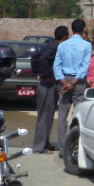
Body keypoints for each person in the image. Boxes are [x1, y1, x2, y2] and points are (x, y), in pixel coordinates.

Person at [53, 18, 92, 150]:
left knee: (62, 114)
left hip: (64, 80)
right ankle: (76, 146)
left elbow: (56, 66)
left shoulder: (62, 45)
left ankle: (63, 148)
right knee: (79, 115)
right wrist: (74, 83)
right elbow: (85, 66)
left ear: (72, 29)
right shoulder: (87, 45)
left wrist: (65, 82)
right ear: (83, 30)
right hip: (79, 82)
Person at [30, 25, 68, 154]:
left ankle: (45, 143)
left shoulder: (51, 45)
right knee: (44, 116)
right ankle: (38, 147)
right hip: (46, 85)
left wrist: (38, 72)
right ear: (64, 37)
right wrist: (47, 75)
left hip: (48, 84)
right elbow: (42, 59)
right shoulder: (55, 47)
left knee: (49, 116)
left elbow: (35, 57)